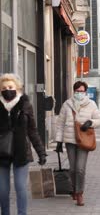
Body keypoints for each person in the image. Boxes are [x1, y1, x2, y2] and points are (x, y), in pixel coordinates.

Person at [0, 74, 47, 215]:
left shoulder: (25, 105)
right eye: (3, 88)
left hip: (22, 152)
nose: (7, 90)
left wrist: (41, 152)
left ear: (18, 88)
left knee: (20, 187)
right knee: (2, 190)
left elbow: (32, 131)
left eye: (10, 87)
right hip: (1, 152)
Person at [55, 81, 100, 206]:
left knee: (80, 168)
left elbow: (99, 120)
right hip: (70, 140)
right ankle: (74, 189)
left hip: (84, 141)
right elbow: (60, 123)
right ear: (74, 91)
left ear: (85, 92)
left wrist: (90, 123)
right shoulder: (67, 104)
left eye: (81, 91)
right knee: (73, 169)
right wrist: (58, 141)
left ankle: (79, 193)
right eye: (77, 91)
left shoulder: (91, 104)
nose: (79, 93)